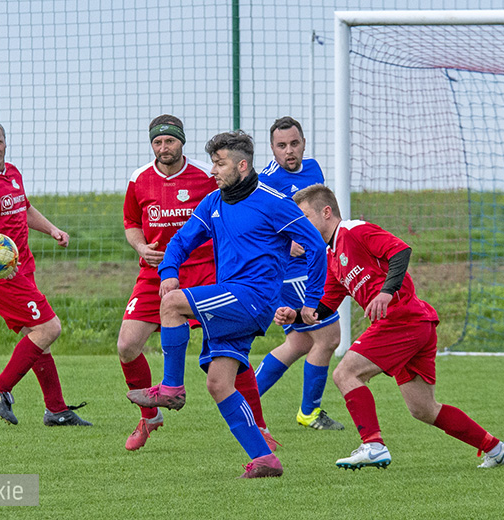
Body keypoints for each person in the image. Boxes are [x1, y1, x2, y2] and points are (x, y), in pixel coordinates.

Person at [127, 131, 328, 478]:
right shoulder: (214, 202)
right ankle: (265, 459)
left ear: (242, 165)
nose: (214, 171)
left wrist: (312, 300)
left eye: (220, 164)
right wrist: (169, 271)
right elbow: (181, 240)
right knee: (219, 383)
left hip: (254, 297)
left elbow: (315, 245)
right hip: (233, 294)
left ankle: (172, 388)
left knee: (172, 305)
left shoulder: (273, 201)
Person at [276, 184, 504, 470]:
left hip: (403, 319)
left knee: (346, 373)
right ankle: (496, 448)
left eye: (303, 217)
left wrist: (386, 292)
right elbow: (324, 306)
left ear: (326, 212)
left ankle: (373, 445)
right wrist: (297, 317)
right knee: (423, 409)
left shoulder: (355, 231)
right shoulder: (332, 256)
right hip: (415, 324)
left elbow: (400, 251)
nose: (299, 226)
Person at [119, 115, 277, 452]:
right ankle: (149, 417)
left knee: (229, 349)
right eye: (158, 142)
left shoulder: (209, 175)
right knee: (126, 346)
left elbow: (235, 206)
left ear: (182, 142)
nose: (164, 147)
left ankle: (259, 426)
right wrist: (139, 247)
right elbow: (131, 221)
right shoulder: (139, 180)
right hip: (157, 272)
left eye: (170, 141)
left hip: (205, 270)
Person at [0, 119, 91, 427]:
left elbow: (23, 209)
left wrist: (52, 229)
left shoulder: (11, 172)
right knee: (49, 328)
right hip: (0, 276)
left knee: (37, 335)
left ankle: (56, 410)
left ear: (5, 141)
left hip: (23, 267)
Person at [255, 116, 344, 431]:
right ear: (272, 148)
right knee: (329, 337)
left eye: (294, 143)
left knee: (300, 343)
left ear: (304, 142)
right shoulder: (264, 181)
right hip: (289, 273)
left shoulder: (314, 169)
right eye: (281, 146)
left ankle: (242, 398)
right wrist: (286, 241)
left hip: (310, 266)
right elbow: (255, 224)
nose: (289, 151)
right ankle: (309, 412)